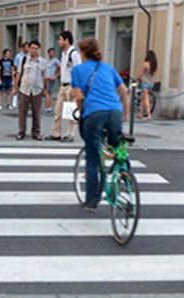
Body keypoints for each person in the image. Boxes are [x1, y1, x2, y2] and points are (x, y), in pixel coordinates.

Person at [72, 37, 130, 211]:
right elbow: (124, 92)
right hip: (115, 111)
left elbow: (79, 96)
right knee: (117, 146)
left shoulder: (78, 70)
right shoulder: (108, 68)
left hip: (94, 113)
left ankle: (92, 200)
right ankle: (124, 172)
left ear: (82, 53)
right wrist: (125, 114)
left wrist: (82, 111)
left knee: (92, 157)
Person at [45, 31, 82, 143]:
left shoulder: (73, 54)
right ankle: (56, 133)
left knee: (71, 110)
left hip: (71, 85)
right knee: (58, 110)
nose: (58, 41)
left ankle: (69, 134)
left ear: (66, 40)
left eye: (60, 39)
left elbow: (78, 71)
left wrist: (75, 88)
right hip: (62, 85)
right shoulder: (63, 53)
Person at [12, 40, 47, 141]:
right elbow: (18, 74)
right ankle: (21, 131)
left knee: (37, 113)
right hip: (24, 89)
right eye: (32, 48)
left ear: (38, 50)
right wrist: (15, 87)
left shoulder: (42, 61)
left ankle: (36, 132)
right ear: (29, 48)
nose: (34, 50)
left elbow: (45, 77)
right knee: (22, 112)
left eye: (36, 49)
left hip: (37, 90)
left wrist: (45, 89)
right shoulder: (23, 60)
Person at [137, 50, 158, 120]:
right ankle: (140, 113)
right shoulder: (154, 65)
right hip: (151, 83)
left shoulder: (146, 64)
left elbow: (141, 73)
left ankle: (149, 114)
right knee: (143, 98)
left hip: (145, 82)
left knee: (146, 99)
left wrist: (137, 78)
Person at [44, 47, 60, 113]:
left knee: (47, 92)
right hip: (45, 78)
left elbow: (60, 68)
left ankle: (48, 107)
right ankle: (48, 107)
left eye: (54, 53)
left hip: (50, 78)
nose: (53, 54)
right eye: (51, 53)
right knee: (48, 93)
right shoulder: (46, 60)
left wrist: (55, 76)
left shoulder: (56, 60)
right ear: (48, 53)